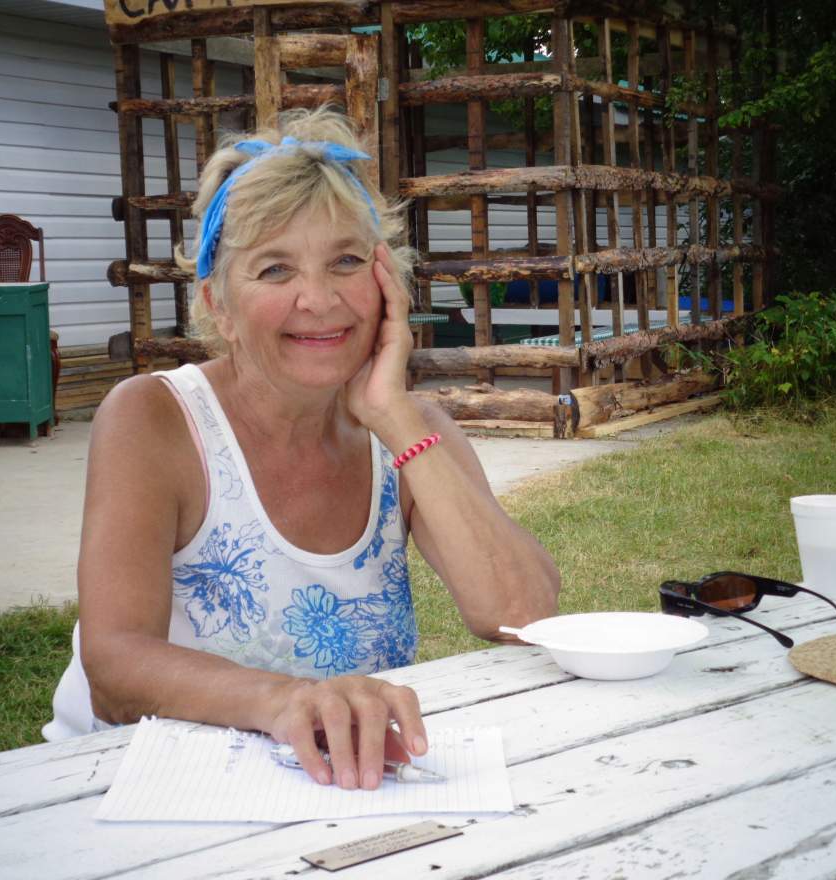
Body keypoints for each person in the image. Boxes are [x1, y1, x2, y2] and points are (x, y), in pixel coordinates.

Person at [43, 107, 560, 791]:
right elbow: (113, 666)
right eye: (275, 270)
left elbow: (525, 615)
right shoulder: (155, 418)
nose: (317, 300)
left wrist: (394, 418)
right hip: (135, 782)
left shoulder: (411, 431)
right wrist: (285, 700)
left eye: (346, 261)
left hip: (329, 786)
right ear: (218, 304)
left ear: (387, 287)